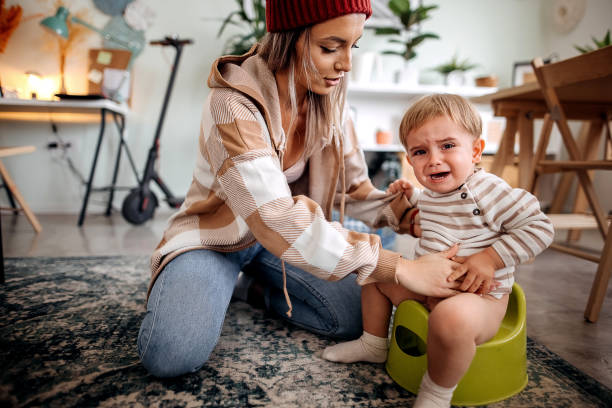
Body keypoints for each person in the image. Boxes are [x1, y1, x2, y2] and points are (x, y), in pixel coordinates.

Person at [137, 1, 465, 379]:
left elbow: (354, 188)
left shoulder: (330, 100)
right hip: (218, 239)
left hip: (288, 243)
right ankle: (214, 280)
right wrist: (400, 267)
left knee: (356, 318)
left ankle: (252, 289)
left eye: (352, 46)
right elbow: (274, 217)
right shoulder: (231, 104)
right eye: (330, 47)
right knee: (171, 355)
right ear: (287, 39)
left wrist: (402, 213)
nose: (346, 64)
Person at [321, 94, 554, 408]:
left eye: (447, 146)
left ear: (475, 151)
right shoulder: (431, 192)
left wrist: (489, 258)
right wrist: (406, 195)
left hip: (479, 297)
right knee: (375, 272)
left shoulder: (489, 190)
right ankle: (373, 343)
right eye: (420, 151)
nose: (433, 159)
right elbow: (427, 205)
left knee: (450, 319)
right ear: (410, 159)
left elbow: (540, 227)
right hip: (428, 286)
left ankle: (436, 392)